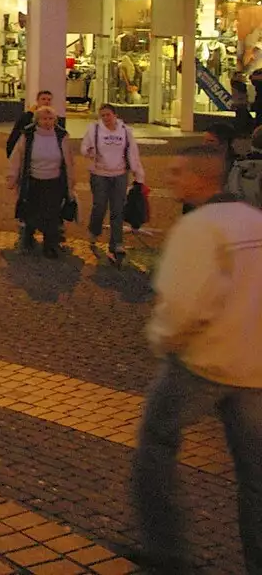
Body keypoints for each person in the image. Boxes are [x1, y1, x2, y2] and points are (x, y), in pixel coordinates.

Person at [131, 145, 262, 575]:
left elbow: (185, 305)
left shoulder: (199, 228)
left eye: (177, 172)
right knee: (255, 476)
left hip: (203, 363)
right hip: (254, 367)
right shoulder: (254, 220)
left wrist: (163, 341)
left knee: (156, 442)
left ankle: (168, 550)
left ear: (201, 178)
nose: (170, 179)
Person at [81, 104, 146, 266]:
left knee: (118, 208)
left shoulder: (125, 131)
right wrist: (88, 151)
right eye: (102, 115)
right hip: (99, 174)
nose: (105, 118)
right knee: (100, 206)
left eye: (108, 115)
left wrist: (138, 174)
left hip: (119, 174)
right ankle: (94, 230)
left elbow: (133, 152)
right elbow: (84, 148)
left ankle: (116, 243)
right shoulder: (94, 130)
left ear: (115, 115)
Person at [7, 105, 72, 258]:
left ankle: (50, 245)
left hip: (54, 181)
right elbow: (17, 157)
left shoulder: (61, 135)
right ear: (37, 120)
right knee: (30, 211)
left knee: (52, 214)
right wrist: (12, 176)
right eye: (44, 119)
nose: (47, 122)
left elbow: (69, 161)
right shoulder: (28, 135)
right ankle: (28, 239)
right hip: (33, 180)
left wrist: (70, 183)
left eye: (51, 119)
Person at [6, 89, 67, 157]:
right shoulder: (26, 117)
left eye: (49, 99)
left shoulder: (57, 119)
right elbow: (15, 136)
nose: (46, 101)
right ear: (37, 101)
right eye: (43, 99)